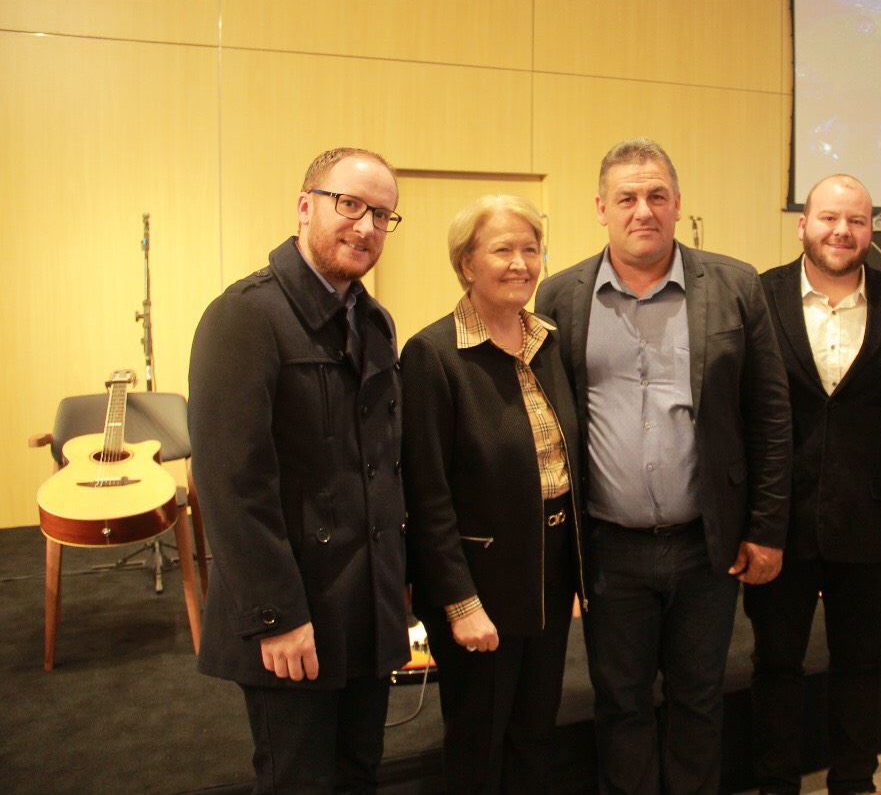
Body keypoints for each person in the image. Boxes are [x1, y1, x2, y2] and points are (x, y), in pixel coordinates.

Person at [535, 137, 792, 794]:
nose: (642, 210)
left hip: (708, 546)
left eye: (656, 196)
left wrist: (766, 527)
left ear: (678, 204)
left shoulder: (734, 285)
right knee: (620, 704)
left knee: (699, 699)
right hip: (608, 549)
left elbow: (769, 414)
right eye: (627, 197)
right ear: (600, 208)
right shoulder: (561, 297)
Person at [188, 147, 410, 791]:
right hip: (294, 610)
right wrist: (275, 615)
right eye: (350, 205)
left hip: (365, 604)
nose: (366, 227)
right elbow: (232, 484)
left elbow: (379, 466)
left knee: (359, 772)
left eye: (383, 216)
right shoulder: (244, 316)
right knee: (299, 780)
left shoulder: (372, 320)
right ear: (305, 204)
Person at [745, 174, 881, 795]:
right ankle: (777, 782)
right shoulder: (756, 297)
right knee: (776, 663)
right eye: (828, 218)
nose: (842, 231)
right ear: (802, 224)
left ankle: (854, 781)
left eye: (856, 221)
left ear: (871, 231)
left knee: (862, 663)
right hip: (779, 522)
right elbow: (737, 412)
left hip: (875, 522)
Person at [400, 195, 585, 792]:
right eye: (502, 249)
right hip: (479, 583)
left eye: (530, 249)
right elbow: (426, 494)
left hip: (549, 577)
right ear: (465, 264)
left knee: (535, 734)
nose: (520, 263)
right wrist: (459, 602)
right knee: (479, 743)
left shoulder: (549, 342)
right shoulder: (434, 355)